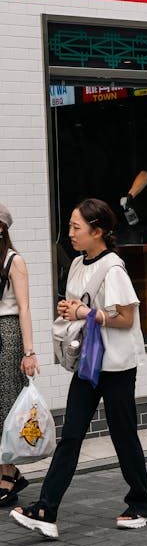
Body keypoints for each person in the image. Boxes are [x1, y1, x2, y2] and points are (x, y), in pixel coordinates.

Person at [10, 198, 147, 539]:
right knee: (72, 435)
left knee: (123, 435)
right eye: (70, 227)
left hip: (117, 366)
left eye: (77, 228)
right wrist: (69, 308)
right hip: (88, 362)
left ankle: (143, 505)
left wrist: (85, 314)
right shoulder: (77, 263)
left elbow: (126, 318)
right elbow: (79, 306)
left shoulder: (114, 268)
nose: (71, 233)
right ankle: (46, 508)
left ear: (99, 231)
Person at [0, 203, 39, 508]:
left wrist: (29, 352)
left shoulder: (15, 261)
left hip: (8, 335)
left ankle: (9, 471)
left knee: (7, 404)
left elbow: (24, 308)